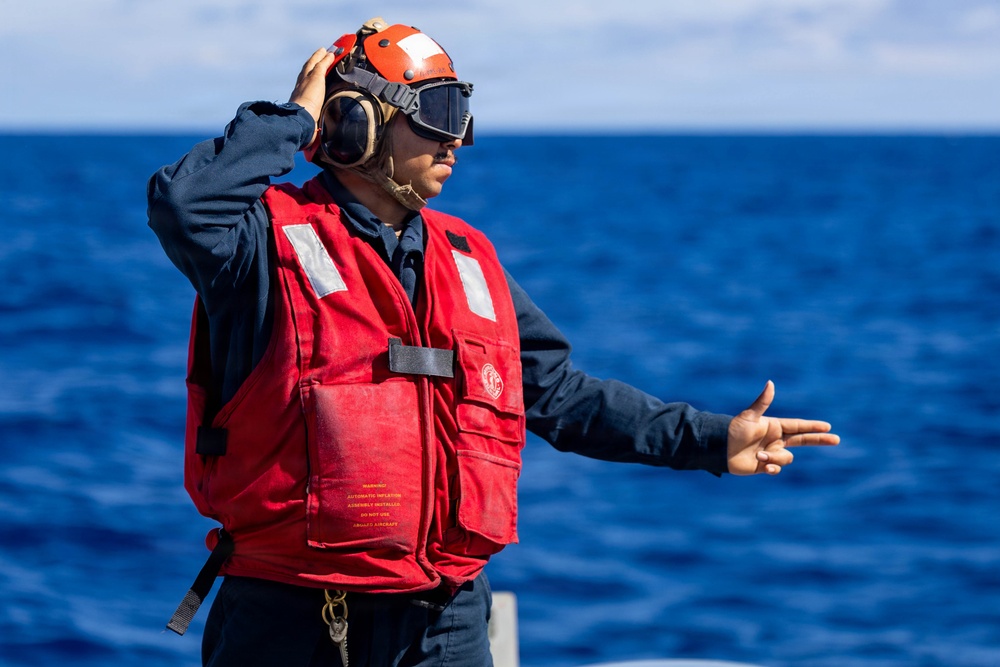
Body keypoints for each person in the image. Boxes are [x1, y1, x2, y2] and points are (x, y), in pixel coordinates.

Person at [147, 16, 840, 667]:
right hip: (290, 618)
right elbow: (184, 203)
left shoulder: (468, 260)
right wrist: (294, 120)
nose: (458, 140)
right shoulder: (259, 243)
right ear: (359, 125)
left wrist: (712, 439)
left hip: (447, 620)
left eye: (461, 115)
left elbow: (562, 396)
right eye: (436, 116)